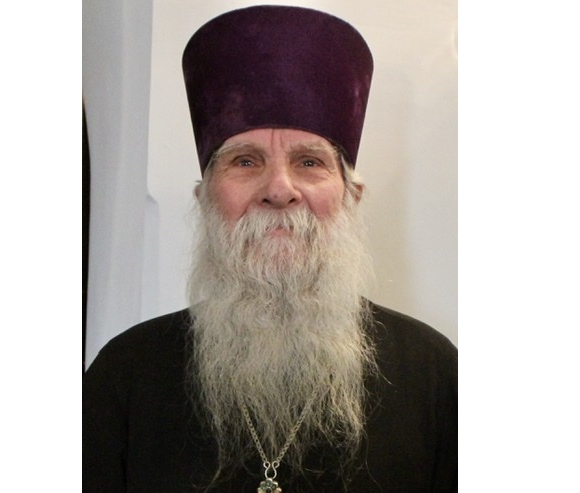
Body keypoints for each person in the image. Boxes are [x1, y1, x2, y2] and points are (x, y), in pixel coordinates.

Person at [83, 5, 457, 492]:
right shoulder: (126, 374)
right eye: (245, 161)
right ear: (204, 200)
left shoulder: (434, 375)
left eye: (309, 162)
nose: (279, 189)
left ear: (351, 198)